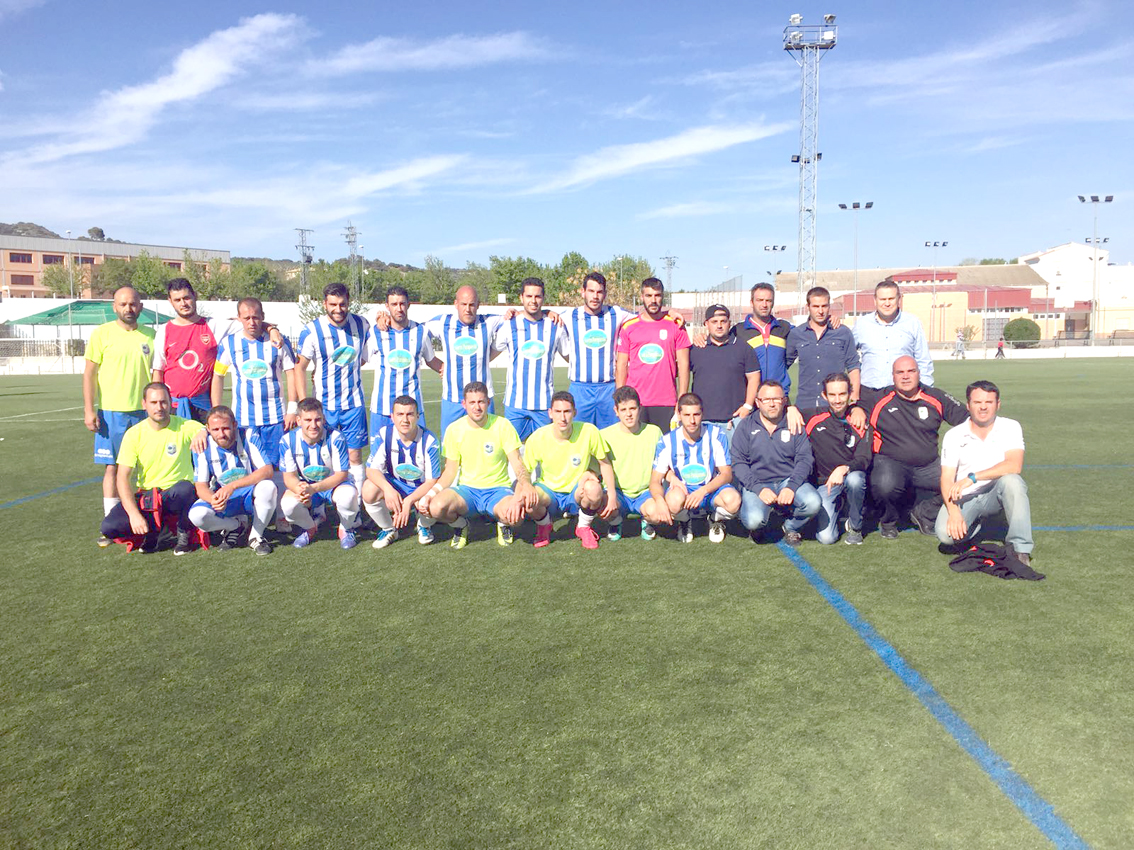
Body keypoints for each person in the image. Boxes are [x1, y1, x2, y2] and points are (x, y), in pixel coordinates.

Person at [416, 381, 536, 549]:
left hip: (498, 490)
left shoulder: (503, 425)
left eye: (481, 401)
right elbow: (450, 471)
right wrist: (430, 494)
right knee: (436, 507)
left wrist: (526, 485)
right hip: (467, 492)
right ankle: (461, 526)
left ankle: (503, 523)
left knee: (516, 517)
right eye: (472, 402)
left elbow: (517, 462)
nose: (477, 407)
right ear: (464, 404)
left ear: (488, 402)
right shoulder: (454, 430)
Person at [862, 355, 967, 539]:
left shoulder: (936, 397)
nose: (905, 376)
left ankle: (923, 513)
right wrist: (856, 409)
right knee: (886, 484)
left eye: (911, 371)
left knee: (963, 482)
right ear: (893, 376)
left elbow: (967, 419)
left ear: (919, 373)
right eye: (900, 372)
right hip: (891, 462)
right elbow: (855, 407)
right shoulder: (879, 399)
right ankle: (888, 521)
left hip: (928, 465)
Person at [83, 285, 156, 546]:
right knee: (112, 467)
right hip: (111, 413)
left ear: (141, 306)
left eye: (133, 303)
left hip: (143, 413)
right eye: (123, 304)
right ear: (114, 307)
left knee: (147, 466)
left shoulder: (150, 336)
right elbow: (89, 374)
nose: (128, 308)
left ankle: (149, 518)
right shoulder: (101, 334)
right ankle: (110, 525)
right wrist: (90, 409)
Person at [99, 382, 206, 555]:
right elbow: (122, 478)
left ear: (171, 402)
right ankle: (157, 529)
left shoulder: (185, 426)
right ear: (144, 405)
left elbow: (209, 428)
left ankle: (183, 533)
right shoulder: (134, 434)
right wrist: (134, 514)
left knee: (185, 488)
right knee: (109, 527)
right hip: (149, 497)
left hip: (175, 495)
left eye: (163, 402)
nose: (159, 407)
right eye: (154, 403)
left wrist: (203, 432)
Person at [935, 380, 1033, 565]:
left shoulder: (1010, 427)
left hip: (996, 491)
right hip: (966, 496)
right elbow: (947, 477)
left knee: (1013, 481)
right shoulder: (954, 435)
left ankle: (1020, 549)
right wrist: (954, 512)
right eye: (977, 402)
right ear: (968, 405)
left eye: (988, 402)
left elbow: (1014, 465)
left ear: (998, 404)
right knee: (945, 536)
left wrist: (972, 478)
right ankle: (980, 525)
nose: (983, 407)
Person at [295, 282, 371, 494]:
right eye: (333, 304)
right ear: (324, 304)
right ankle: (321, 507)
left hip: (353, 404)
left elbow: (362, 358)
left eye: (343, 304)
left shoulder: (362, 324)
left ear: (349, 302)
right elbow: (299, 367)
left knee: (354, 456)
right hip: (324, 406)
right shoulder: (311, 330)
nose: (338, 309)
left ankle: (354, 510)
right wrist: (303, 404)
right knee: (323, 456)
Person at [153, 278, 259, 422]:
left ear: (195, 296)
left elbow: (251, 323)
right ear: (170, 301)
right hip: (172, 406)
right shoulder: (164, 330)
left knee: (203, 444)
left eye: (186, 298)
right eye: (177, 300)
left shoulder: (214, 326)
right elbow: (158, 371)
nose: (183, 303)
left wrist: (271, 329)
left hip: (202, 407)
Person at [211, 296, 297, 469]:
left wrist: (292, 410)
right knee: (248, 467)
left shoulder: (278, 342)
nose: (252, 322)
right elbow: (218, 376)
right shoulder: (229, 343)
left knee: (277, 467)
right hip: (244, 419)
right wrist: (216, 411)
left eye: (256, 317)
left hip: (275, 418)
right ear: (239, 318)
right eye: (246, 318)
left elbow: (291, 373)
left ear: (263, 316)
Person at [524, 391, 616, 549]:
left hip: (577, 492)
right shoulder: (538, 437)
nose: (563, 417)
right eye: (558, 412)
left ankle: (583, 527)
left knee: (594, 489)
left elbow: (605, 463)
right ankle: (545, 526)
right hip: (549, 492)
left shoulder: (589, 431)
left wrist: (612, 495)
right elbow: (524, 472)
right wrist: (523, 490)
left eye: (567, 411)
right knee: (527, 498)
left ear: (575, 412)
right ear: (550, 413)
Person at [731, 380, 820, 545]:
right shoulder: (746, 426)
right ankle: (757, 527)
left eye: (776, 399)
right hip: (758, 481)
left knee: (813, 502)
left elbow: (805, 458)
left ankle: (791, 527)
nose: (772, 404)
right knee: (753, 520)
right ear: (757, 402)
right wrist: (758, 488)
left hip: (787, 478)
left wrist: (791, 486)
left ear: (784, 401)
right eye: (766, 399)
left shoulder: (794, 423)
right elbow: (738, 462)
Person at [645, 393, 740, 543]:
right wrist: (660, 501)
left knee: (733, 501)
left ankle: (715, 519)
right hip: (683, 491)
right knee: (673, 502)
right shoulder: (667, 440)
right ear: (679, 414)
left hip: (710, 489)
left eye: (696, 414)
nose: (692, 420)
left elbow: (726, 474)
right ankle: (685, 520)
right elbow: (655, 481)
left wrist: (703, 491)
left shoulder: (716, 434)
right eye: (687, 415)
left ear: (703, 414)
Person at [187, 405, 278, 555]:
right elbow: (201, 486)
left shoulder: (248, 435)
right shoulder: (202, 446)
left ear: (234, 425)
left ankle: (256, 536)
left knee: (268, 486)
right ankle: (234, 526)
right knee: (197, 515)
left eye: (226, 428)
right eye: (215, 430)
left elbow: (267, 470)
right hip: (224, 498)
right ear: (208, 429)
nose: (221, 434)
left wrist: (233, 486)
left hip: (249, 494)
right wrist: (213, 500)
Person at [492, 277, 571, 441]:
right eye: (529, 296)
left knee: (545, 455)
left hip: (544, 405)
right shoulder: (509, 325)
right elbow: (488, 355)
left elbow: (571, 357)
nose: (533, 301)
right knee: (513, 454)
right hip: (515, 405)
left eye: (537, 296)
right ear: (521, 297)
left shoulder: (555, 326)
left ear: (543, 298)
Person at [422, 286, 506, 438]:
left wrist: (547, 312)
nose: (468, 309)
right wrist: (437, 364)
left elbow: (518, 319)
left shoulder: (489, 322)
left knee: (488, 446)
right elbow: (415, 332)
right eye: (463, 304)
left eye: (472, 304)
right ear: (456, 304)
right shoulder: (443, 322)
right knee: (451, 448)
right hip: (452, 399)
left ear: (478, 305)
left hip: (483, 399)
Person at [277, 398, 362, 549]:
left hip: (334, 485)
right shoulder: (287, 441)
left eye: (317, 419)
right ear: (298, 420)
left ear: (323, 419)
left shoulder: (336, 437)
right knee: (288, 506)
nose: (313, 425)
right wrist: (300, 490)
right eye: (308, 420)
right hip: (307, 486)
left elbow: (341, 474)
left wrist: (314, 489)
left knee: (348, 497)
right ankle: (309, 527)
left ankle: (346, 528)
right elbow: (289, 477)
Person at [361, 395, 441, 549]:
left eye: (410, 414)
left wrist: (409, 501)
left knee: (433, 502)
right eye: (400, 414)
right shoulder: (385, 434)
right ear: (392, 417)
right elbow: (371, 469)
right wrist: (388, 489)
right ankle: (389, 529)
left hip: (421, 488)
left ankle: (424, 525)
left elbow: (432, 480)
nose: (405, 420)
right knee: (368, 489)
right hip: (395, 485)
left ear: (418, 416)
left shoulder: (429, 440)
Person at [801, 373, 873, 545]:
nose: (838, 400)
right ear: (824, 396)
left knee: (855, 480)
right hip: (826, 484)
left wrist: (844, 468)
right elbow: (781, 409)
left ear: (850, 394)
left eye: (842, 394)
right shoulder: (813, 417)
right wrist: (790, 410)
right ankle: (840, 506)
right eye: (832, 395)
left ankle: (855, 527)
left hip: (851, 476)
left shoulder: (860, 420)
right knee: (826, 539)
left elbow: (864, 459)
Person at [615, 277, 691, 433]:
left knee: (666, 450)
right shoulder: (629, 327)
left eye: (657, 295)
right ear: (642, 297)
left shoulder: (676, 324)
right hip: (636, 402)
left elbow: (684, 364)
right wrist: (620, 399)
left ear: (663, 296)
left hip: (667, 402)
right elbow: (621, 365)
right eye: (649, 296)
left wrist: (682, 398)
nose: (653, 300)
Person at [365, 286, 442, 435]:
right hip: (382, 409)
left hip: (412, 409)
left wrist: (450, 369)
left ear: (408, 304)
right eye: (394, 304)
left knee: (415, 455)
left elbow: (431, 360)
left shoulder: (421, 331)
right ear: (387, 306)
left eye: (402, 303)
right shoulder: (376, 332)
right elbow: (360, 360)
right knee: (380, 456)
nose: (399, 308)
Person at [563, 272, 636, 428]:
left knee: (611, 437)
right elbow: (542, 316)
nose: (595, 296)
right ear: (583, 292)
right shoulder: (569, 316)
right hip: (580, 389)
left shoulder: (616, 313)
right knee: (578, 437)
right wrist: (518, 312)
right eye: (591, 291)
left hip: (608, 389)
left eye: (599, 292)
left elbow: (645, 318)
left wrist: (668, 312)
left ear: (605, 294)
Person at [689, 304, 759, 450]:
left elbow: (754, 377)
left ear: (729, 323)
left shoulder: (743, 348)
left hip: (733, 422)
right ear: (706, 324)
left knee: (735, 466)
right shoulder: (695, 349)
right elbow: (681, 374)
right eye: (714, 322)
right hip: (702, 422)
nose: (719, 326)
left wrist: (747, 406)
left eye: (723, 321)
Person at [600, 386, 664, 541]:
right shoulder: (604, 435)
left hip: (645, 493)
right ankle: (616, 522)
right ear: (616, 411)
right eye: (623, 409)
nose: (628, 414)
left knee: (658, 513)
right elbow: (596, 468)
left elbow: (664, 465)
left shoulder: (654, 432)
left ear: (640, 408)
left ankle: (646, 521)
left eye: (632, 408)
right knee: (599, 502)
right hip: (618, 493)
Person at [785, 287, 860, 410]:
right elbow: (784, 365)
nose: (820, 311)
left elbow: (853, 366)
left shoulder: (842, 332)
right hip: (805, 405)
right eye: (815, 306)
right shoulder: (797, 334)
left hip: (835, 406)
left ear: (829, 307)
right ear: (807, 306)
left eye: (824, 306)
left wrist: (854, 400)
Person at [854, 279, 934, 391]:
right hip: (870, 392)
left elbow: (923, 360)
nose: (887, 303)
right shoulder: (862, 325)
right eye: (882, 299)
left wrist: (926, 390)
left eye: (891, 299)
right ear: (875, 300)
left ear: (899, 299)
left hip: (902, 393)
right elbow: (849, 358)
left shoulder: (912, 323)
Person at [734, 282, 793, 396]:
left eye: (768, 300)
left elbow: (808, 330)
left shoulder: (784, 327)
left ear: (773, 303)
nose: (764, 304)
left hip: (779, 396)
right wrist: (701, 337)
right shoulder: (738, 331)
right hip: (750, 397)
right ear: (751, 302)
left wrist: (831, 320)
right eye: (760, 300)